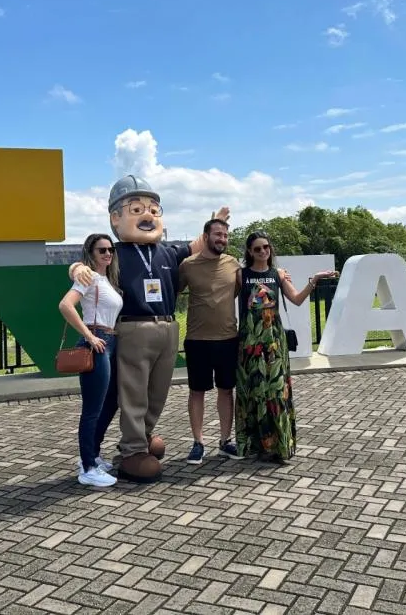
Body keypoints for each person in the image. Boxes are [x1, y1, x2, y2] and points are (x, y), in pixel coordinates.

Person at [69, 174, 229, 483]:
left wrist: (216, 223)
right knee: (133, 393)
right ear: (115, 218)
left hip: (167, 327)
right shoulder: (114, 253)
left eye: (154, 210)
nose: (148, 216)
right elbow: (86, 266)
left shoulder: (166, 252)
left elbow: (196, 246)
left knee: (157, 392)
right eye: (136, 209)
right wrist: (75, 268)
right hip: (133, 329)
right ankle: (132, 450)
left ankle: (143, 436)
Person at [236, 230, 337, 464]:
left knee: (276, 391)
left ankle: (279, 445)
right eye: (257, 248)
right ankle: (257, 446)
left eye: (266, 247)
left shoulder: (278, 274)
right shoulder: (241, 275)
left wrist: (314, 280)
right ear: (250, 252)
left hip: (274, 342)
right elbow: (224, 298)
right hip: (250, 343)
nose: (263, 251)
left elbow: (297, 299)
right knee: (254, 392)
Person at [58, 233, 124, 488]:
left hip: (109, 341)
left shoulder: (106, 279)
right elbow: (65, 305)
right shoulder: (90, 277)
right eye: (101, 250)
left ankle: (93, 455)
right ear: (91, 253)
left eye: (110, 250)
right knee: (92, 410)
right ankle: (87, 467)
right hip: (96, 342)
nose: (108, 254)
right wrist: (88, 336)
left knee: (111, 402)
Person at [177, 217, 242, 465]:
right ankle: (198, 442)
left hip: (228, 338)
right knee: (197, 392)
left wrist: (278, 274)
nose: (222, 239)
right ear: (205, 237)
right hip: (197, 340)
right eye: (217, 235)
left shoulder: (233, 264)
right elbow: (172, 291)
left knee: (226, 390)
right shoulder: (187, 265)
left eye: (225, 235)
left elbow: (247, 287)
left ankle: (225, 441)